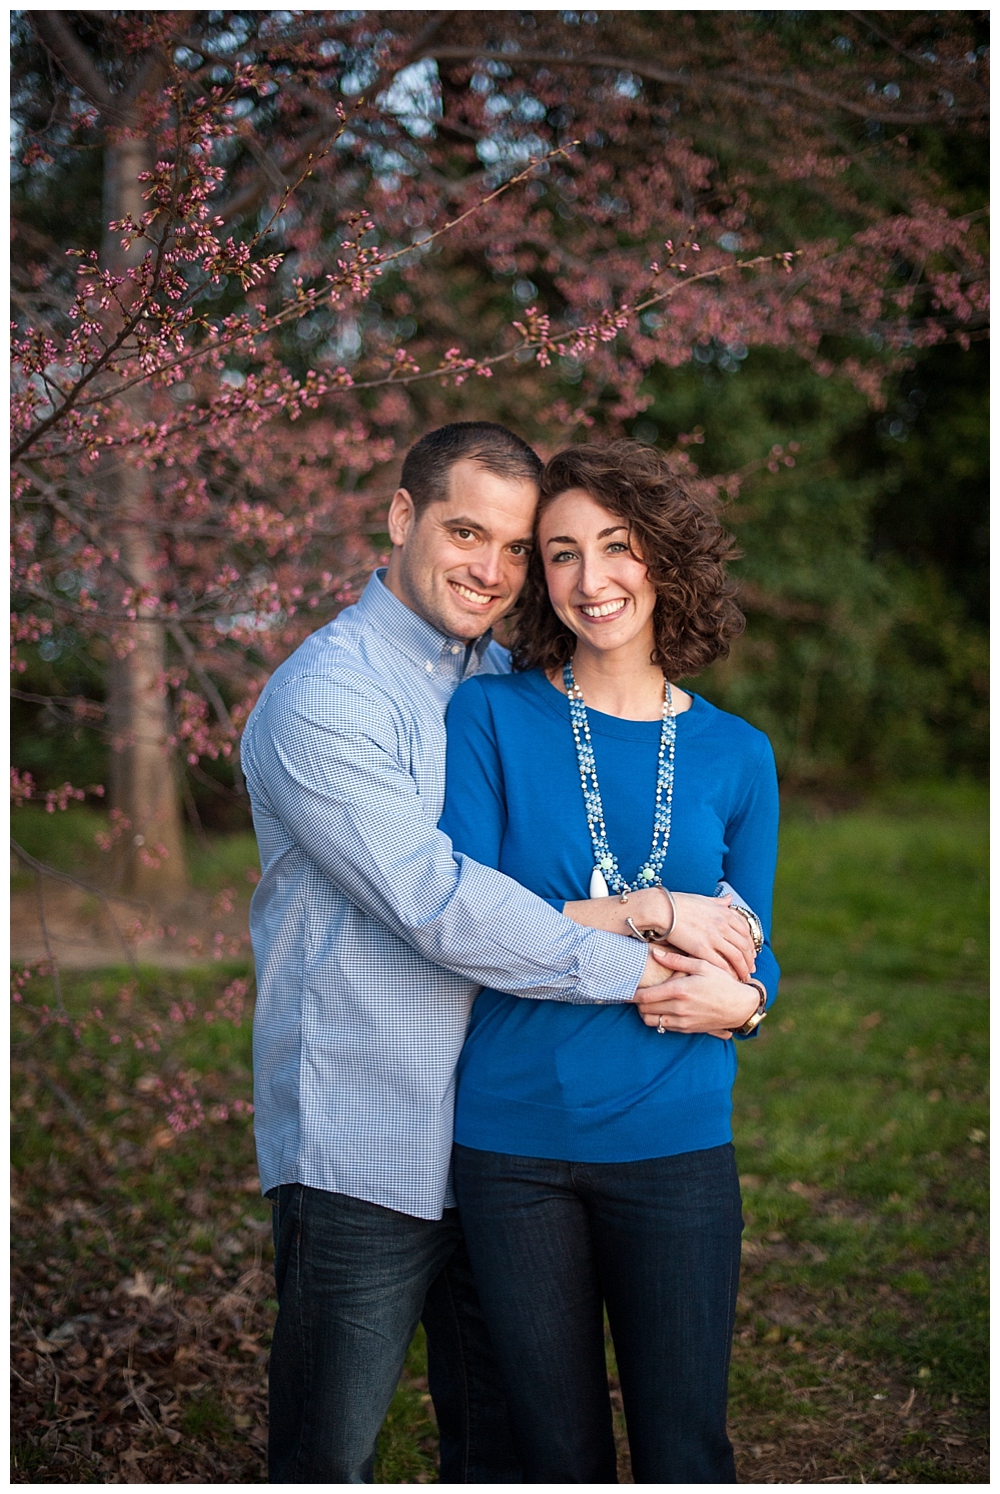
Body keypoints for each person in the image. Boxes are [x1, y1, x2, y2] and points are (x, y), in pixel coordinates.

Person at [241, 422, 760, 1483]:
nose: (494, 568)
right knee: (326, 1452)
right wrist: (655, 952)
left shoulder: (496, 678)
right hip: (366, 1138)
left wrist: (743, 997)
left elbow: (741, 923)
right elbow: (438, 903)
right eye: (466, 531)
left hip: (483, 1146)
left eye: (519, 547)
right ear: (401, 518)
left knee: (500, 1452)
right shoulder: (326, 699)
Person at [441, 438, 780, 1484]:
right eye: (560, 554)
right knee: (553, 1454)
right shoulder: (491, 716)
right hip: (514, 1146)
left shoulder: (737, 754)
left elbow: (754, 952)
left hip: (677, 1146)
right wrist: (652, 909)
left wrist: (746, 1007)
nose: (593, 581)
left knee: (686, 1449)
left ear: (662, 557)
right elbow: (473, 918)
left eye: (617, 546)